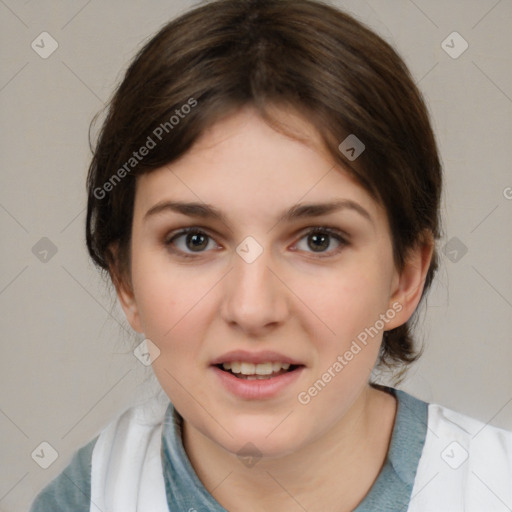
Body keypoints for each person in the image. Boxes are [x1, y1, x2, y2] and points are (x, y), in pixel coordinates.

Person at [30, 0, 512, 510]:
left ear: (404, 278)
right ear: (125, 279)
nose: (253, 309)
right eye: (194, 240)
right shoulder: (85, 499)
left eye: (318, 240)